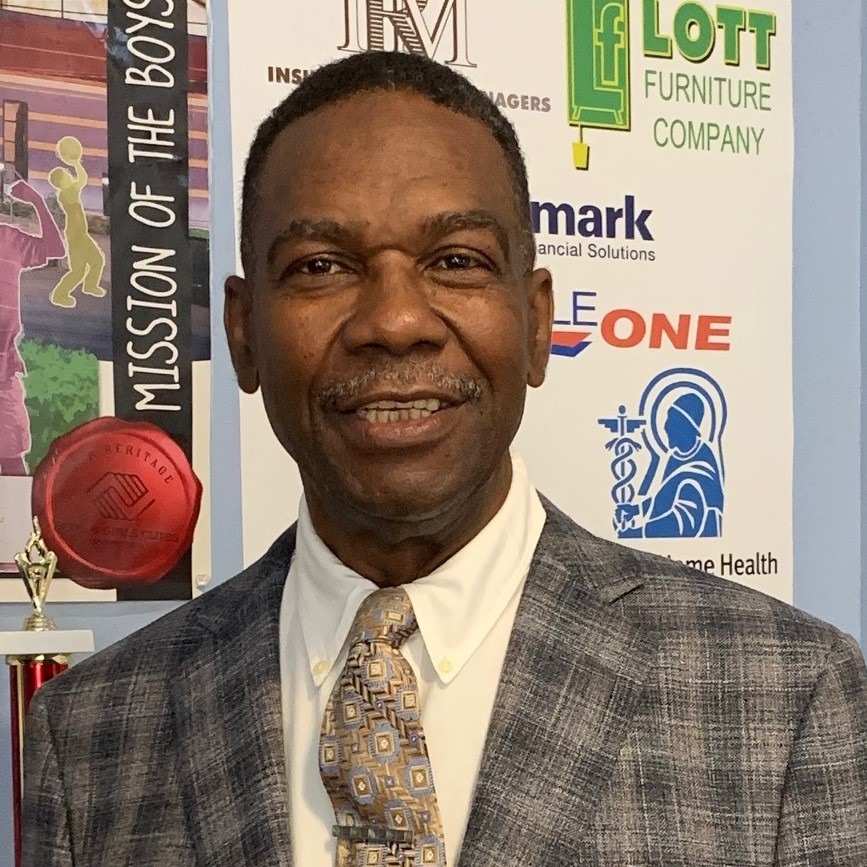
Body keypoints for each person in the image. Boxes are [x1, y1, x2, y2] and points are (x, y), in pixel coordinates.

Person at [23, 51, 867, 867]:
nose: (395, 321)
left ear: (535, 322)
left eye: (456, 261)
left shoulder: (786, 693)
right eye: (321, 266)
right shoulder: (91, 729)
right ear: (244, 334)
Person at [0, 179, 65, 474]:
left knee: (13, 458)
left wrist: (37, 201)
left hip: (4, 371)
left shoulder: (8, 238)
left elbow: (55, 249)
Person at [617, 392, 725, 538]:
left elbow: (684, 521)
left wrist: (639, 532)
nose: (665, 427)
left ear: (686, 427)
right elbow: (665, 498)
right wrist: (636, 510)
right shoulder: (674, 458)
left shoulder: (701, 466)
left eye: (671, 421)